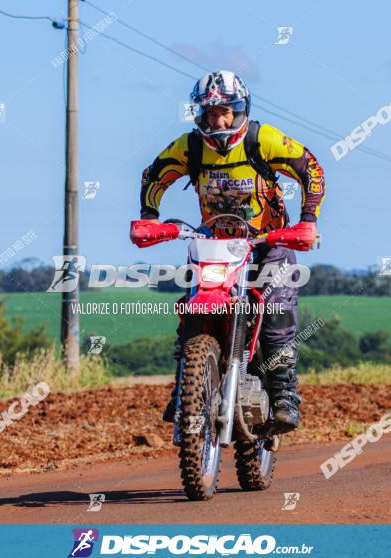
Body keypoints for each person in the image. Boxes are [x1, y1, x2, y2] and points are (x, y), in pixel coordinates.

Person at [131, 70, 326, 433]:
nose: (218, 120)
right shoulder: (189, 147)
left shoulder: (263, 139)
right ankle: (186, 387)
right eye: (210, 113)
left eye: (226, 111)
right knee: (194, 309)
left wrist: (308, 220)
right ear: (199, 115)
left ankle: (284, 395)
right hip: (214, 244)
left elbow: (311, 170)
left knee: (277, 314)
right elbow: (154, 176)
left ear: (240, 110)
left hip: (269, 242)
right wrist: (149, 218)